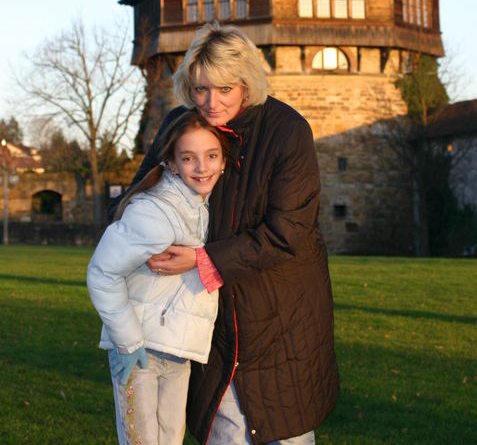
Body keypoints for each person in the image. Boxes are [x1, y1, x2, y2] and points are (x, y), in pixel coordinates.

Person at [125, 22, 339, 445]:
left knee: (285, 430)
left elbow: (288, 230)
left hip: (282, 315)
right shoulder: (180, 126)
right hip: (212, 320)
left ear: (247, 83)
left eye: (225, 89)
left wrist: (203, 260)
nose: (211, 101)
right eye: (202, 89)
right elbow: (135, 196)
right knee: (228, 430)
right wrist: (142, 234)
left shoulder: (287, 130)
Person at [87, 110, 228, 445]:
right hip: (140, 352)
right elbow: (102, 273)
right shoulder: (156, 212)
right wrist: (128, 341)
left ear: (223, 161)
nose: (202, 167)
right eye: (189, 158)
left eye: (211, 156)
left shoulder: (202, 206)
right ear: (172, 164)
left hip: (177, 350)